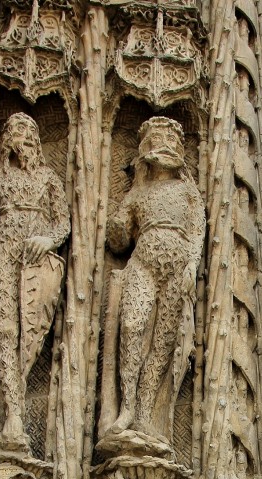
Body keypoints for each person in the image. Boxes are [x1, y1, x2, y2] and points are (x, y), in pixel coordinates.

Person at [104, 116, 205, 446]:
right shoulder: (137, 194)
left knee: (162, 343)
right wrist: (115, 228)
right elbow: (119, 241)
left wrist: (192, 265)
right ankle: (127, 408)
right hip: (143, 263)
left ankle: (146, 413)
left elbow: (196, 231)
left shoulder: (187, 191)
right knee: (132, 326)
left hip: (177, 271)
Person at [0, 112, 70, 452]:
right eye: (16, 129)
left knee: (28, 333)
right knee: (4, 329)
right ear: (5, 138)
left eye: (31, 130)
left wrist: (49, 240)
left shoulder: (48, 178)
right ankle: (13, 416)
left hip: (37, 256)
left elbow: (63, 222)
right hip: (1, 247)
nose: (25, 136)